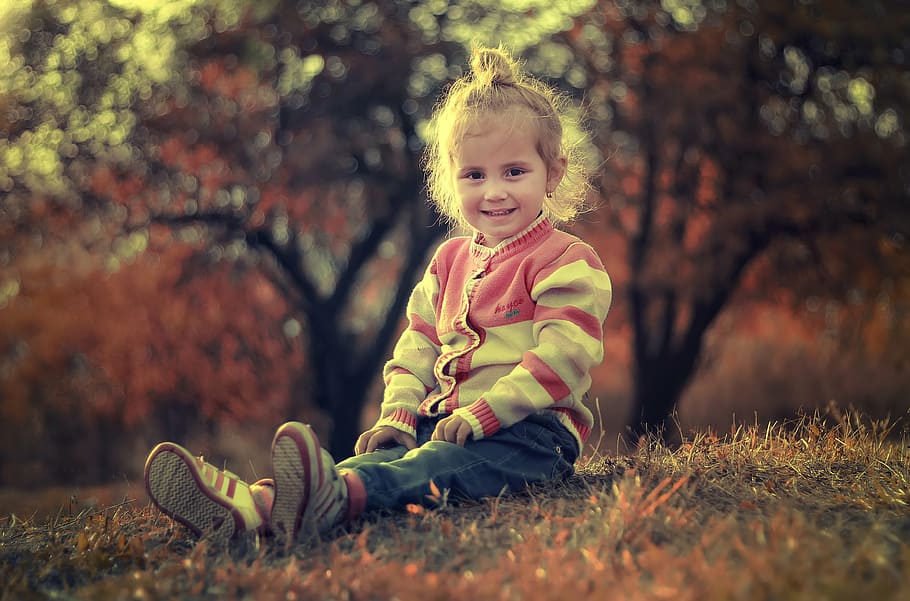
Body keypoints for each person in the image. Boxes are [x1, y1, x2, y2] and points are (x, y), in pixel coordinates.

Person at [143, 44, 613, 548]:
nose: (493, 191)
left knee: (434, 467)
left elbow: (564, 355)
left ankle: (333, 502)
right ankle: (254, 507)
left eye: (514, 172)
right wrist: (400, 414)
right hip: (446, 425)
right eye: (475, 175)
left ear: (553, 174)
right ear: (452, 181)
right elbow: (416, 347)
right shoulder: (449, 261)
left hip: (530, 437)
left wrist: (488, 411)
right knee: (381, 460)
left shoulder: (565, 260)